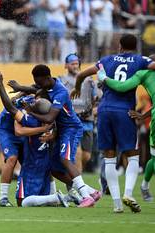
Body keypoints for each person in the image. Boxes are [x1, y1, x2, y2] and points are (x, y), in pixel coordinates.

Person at [73, 34, 155, 213]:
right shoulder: (140, 60)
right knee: (132, 155)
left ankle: (117, 204)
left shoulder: (106, 59)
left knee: (109, 157)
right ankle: (128, 193)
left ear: (119, 46)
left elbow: (81, 74)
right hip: (124, 111)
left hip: (104, 110)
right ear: (136, 46)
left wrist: (77, 87)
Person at [22, 64, 100, 208]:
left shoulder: (61, 92)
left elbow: (50, 118)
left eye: (40, 82)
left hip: (71, 128)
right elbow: (35, 89)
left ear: (47, 78)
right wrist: (20, 88)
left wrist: (30, 111)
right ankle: (92, 191)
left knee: (65, 159)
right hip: (62, 130)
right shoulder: (48, 84)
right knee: (55, 169)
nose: (39, 86)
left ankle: (86, 197)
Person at [0, 70, 69, 208]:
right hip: (6, 130)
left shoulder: (38, 111)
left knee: (34, 161)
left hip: (24, 131)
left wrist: (52, 133)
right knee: (12, 158)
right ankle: (3, 198)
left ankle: (53, 194)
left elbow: (21, 127)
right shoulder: (31, 105)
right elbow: (18, 129)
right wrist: (45, 130)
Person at [97, 57, 155, 202]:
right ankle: (142, 187)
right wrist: (143, 115)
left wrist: (103, 77)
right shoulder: (144, 73)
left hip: (107, 109)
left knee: (110, 156)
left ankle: (119, 201)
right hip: (123, 111)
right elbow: (122, 87)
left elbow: (120, 86)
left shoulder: (111, 62)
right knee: (141, 156)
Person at [59, 53, 97, 173]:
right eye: (72, 64)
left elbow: (97, 99)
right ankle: (78, 187)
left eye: (77, 63)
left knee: (87, 156)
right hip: (71, 121)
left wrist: (95, 109)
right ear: (66, 65)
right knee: (77, 153)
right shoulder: (61, 81)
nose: (75, 66)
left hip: (87, 121)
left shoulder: (89, 81)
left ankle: (73, 175)